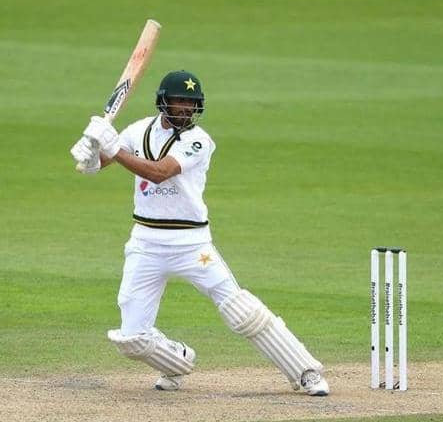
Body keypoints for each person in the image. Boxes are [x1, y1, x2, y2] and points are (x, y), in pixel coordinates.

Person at [69, 70, 329, 396]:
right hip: (146, 244)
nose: (186, 108)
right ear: (164, 102)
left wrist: (115, 149)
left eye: (192, 103)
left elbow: (160, 173)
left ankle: (306, 371)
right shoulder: (138, 130)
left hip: (192, 245)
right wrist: (90, 150)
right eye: (180, 101)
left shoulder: (199, 140)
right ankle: (177, 362)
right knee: (132, 339)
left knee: (241, 311)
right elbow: (96, 166)